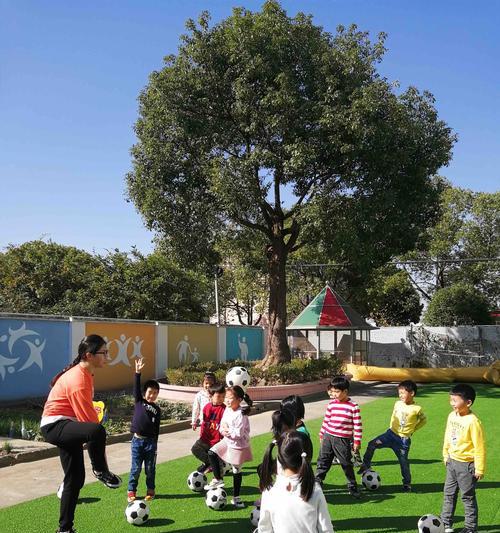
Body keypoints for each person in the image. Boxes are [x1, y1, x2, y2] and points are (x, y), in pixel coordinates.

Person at [40, 335, 122, 533]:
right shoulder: (78, 379)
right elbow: (91, 427)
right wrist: (103, 467)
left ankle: (64, 529)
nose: (107, 356)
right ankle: (100, 471)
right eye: (104, 352)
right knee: (96, 430)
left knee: (75, 479)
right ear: (89, 355)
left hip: (67, 425)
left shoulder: (85, 374)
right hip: (55, 425)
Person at [257, 430, 335, 533]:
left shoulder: (269, 492)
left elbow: (264, 530)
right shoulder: (314, 489)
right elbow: (326, 529)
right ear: (308, 457)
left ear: (279, 459)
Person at [359, 380, 426, 492]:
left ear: (412, 393)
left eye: (403, 393)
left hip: (403, 441)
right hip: (390, 435)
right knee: (372, 444)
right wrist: (391, 426)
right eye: (399, 393)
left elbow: (424, 420)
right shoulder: (397, 403)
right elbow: (393, 415)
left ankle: (407, 483)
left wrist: (413, 429)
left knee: (403, 462)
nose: (400, 395)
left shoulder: (417, 409)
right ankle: (365, 465)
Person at [441, 384, 486, 533]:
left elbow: (479, 447)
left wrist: (479, 468)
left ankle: (470, 528)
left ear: (468, 403)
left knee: (467, 497)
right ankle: (445, 523)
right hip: (452, 462)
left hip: (467, 466)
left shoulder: (473, 422)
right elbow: (447, 435)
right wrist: (445, 454)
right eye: (451, 400)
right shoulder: (451, 416)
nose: (452, 403)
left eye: (455, 400)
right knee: (449, 493)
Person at [204, 385, 253, 509]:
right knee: (211, 452)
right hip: (227, 441)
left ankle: (236, 498)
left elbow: (238, 434)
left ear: (239, 399)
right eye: (226, 397)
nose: (227, 400)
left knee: (237, 470)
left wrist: (227, 431)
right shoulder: (228, 410)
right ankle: (218, 478)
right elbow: (222, 426)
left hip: (238, 446)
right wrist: (224, 430)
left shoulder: (241, 414)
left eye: (230, 398)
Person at [315, 376, 362, 499]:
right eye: (333, 391)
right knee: (323, 460)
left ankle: (352, 485)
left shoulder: (353, 406)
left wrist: (357, 441)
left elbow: (357, 426)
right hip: (328, 437)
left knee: (346, 463)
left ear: (345, 391)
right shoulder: (331, 405)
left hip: (342, 440)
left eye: (337, 391)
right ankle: (317, 482)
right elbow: (326, 420)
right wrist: (322, 434)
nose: (334, 394)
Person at [127, 357, 161, 502]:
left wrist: (155, 444)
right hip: (137, 441)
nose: (152, 395)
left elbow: (157, 428)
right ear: (144, 392)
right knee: (135, 469)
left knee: (150, 469)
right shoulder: (139, 401)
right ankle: (131, 491)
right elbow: (135, 387)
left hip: (150, 443)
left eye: (155, 393)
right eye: (150, 392)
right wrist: (137, 372)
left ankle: (150, 490)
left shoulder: (157, 409)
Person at [191, 383, 226, 473]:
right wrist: (195, 422)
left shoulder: (224, 409)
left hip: (216, 441)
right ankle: (209, 463)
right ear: (211, 396)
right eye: (219, 397)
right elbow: (204, 423)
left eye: (223, 397)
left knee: (218, 467)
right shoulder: (206, 407)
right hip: (205, 438)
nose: (221, 399)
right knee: (195, 449)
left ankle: (218, 475)